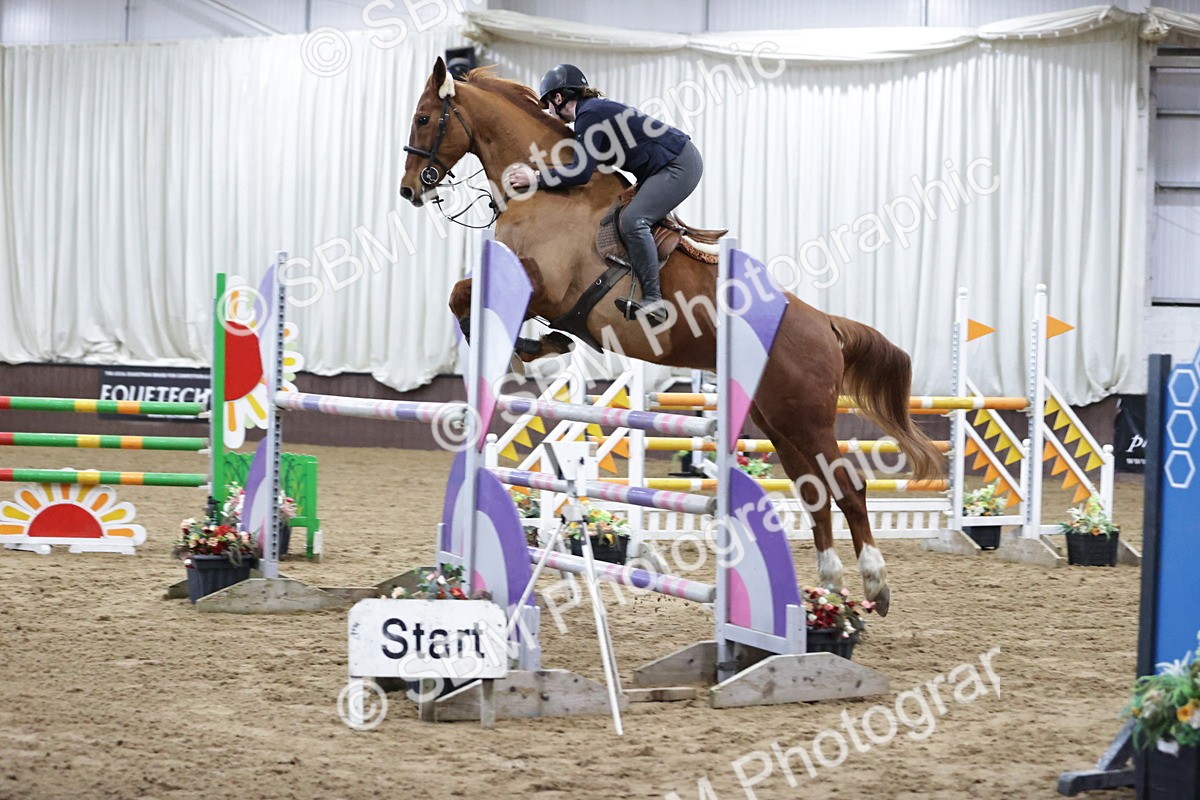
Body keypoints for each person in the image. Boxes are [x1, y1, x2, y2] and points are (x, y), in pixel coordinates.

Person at [505, 64, 703, 324]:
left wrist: (536, 178)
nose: (549, 112)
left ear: (558, 98)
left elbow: (581, 172)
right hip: (665, 165)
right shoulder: (591, 113)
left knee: (634, 220)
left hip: (678, 164)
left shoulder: (588, 115)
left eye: (548, 105)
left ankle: (654, 300)